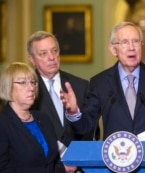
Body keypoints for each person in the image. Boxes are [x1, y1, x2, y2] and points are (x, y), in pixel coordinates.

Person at [59, 21, 145, 173]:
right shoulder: (100, 82)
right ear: (113, 49)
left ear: (141, 46)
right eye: (124, 42)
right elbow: (86, 125)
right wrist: (73, 112)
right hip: (116, 164)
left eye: (136, 41)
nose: (131, 47)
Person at [27, 31, 96, 172]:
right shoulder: (27, 90)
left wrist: (76, 160)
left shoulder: (81, 86)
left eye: (54, 51)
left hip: (79, 167)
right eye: (43, 54)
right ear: (32, 59)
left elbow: (92, 130)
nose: (51, 57)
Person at [0, 62, 67, 173]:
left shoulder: (43, 119)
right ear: (8, 87)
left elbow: (53, 163)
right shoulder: (3, 124)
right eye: (23, 83)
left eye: (33, 82)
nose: (31, 87)